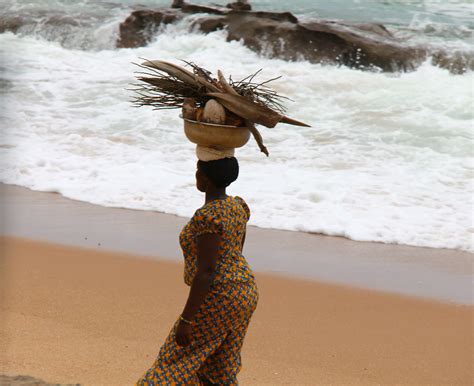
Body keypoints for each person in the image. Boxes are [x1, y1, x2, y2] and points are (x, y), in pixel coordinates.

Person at [137, 156, 258, 385]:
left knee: (173, 362)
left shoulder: (208, 216)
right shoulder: (238, 206)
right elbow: (235, 250)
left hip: (220, 295)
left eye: (197, 171)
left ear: (205, 179)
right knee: (219, 368)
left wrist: (187, 320)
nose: (196, 175)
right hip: (246, 291)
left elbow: (208, 271)